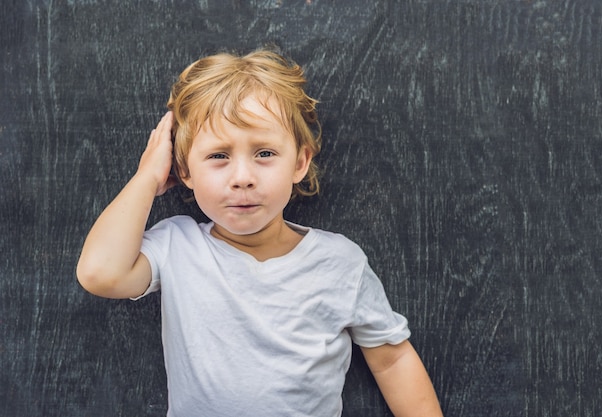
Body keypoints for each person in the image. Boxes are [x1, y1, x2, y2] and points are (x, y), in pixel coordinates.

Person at [76, 48, 443, 417]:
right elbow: (100, 273)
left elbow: (392, 360)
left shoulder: (340, 262)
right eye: (218, 156)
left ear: (299, 162)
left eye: (265, 153)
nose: (242, 178)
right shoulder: (178, 246)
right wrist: (147, 176)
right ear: (184, 170)